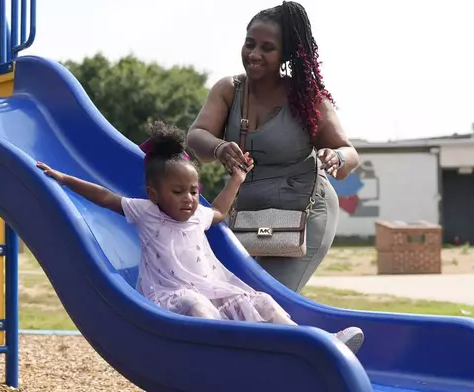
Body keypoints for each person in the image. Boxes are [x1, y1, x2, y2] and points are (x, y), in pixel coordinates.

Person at [36, 121, 364, 354]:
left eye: (194, 190)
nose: (189, 199)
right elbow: (105, 197)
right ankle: (222, 354)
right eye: (178, 192)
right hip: (168, 295)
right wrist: (64, 178)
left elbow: (219, 211)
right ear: (154, 194)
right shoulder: (146, 212)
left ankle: (319, 343)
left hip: (213, 288)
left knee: (261, 301)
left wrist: (236, 178)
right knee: (197, 304)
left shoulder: (198, 216)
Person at [186, 1, 360, 293]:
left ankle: (329, 338)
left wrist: (337, 157)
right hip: (245, 210)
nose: (254, 54)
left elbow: (350, 153)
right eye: (249, 44)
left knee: (270, 298)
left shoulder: (308, 98)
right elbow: (196, 137)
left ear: (285, 55)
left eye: (267, 48)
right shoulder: (229, 89)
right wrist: (218, 147)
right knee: (216, 290)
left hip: (304, 211)